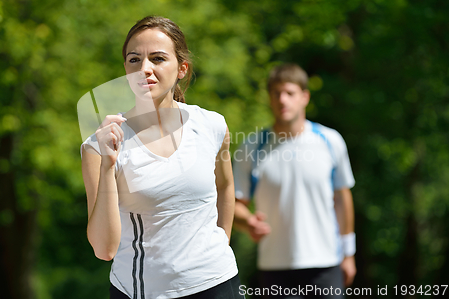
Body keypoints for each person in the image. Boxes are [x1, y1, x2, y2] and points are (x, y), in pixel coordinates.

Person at [80, 16, 244, 299]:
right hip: (146, 292)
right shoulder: (100, 145)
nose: (145, 69)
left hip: (219, 283)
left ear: (182, 68)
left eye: (157, 58)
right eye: (134, 60)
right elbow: (104, 249)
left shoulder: (212, 125)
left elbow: (225, 186)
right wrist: (108, 166)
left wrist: (220, 244)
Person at [233, 64, 356, 298]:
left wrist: (349, 254)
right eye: (276, 93)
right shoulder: (251, 147)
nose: (282, 100)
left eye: (289, 93)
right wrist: (249, 222)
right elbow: (236, 204)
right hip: (274, 267)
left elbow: (342, 198)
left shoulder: (330, 141)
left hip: (326, 262)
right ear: (269, 99)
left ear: (305, 97)